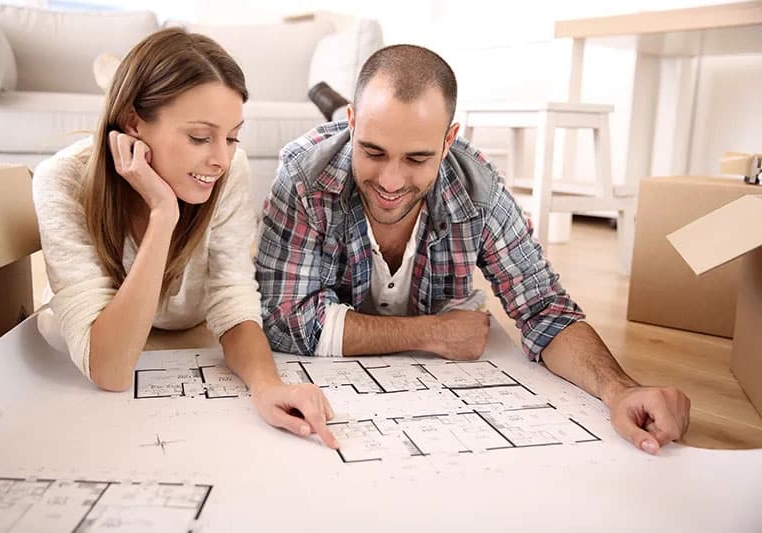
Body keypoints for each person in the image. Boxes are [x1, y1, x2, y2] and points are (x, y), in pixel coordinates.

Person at [256, 44, 690, 454]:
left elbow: (545, 312)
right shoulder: (303, 175)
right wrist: (432, 332)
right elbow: (284, 320)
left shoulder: (479, 190)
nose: (390, 181)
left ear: (449, 141)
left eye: (416, 158)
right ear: (353, 123)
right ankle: (331, 104)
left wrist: (621, 389)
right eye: (373, 151)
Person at [33, 28, 338, 449]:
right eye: (200, 137)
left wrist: (267, 387)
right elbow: (111, 370)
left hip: (191, 329)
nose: (221, 159)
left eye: (232, 136)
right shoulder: (61, 181)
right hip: (112, 333)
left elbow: (232, 299)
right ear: (133, 123)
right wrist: (163, 215)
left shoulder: (231, 169)